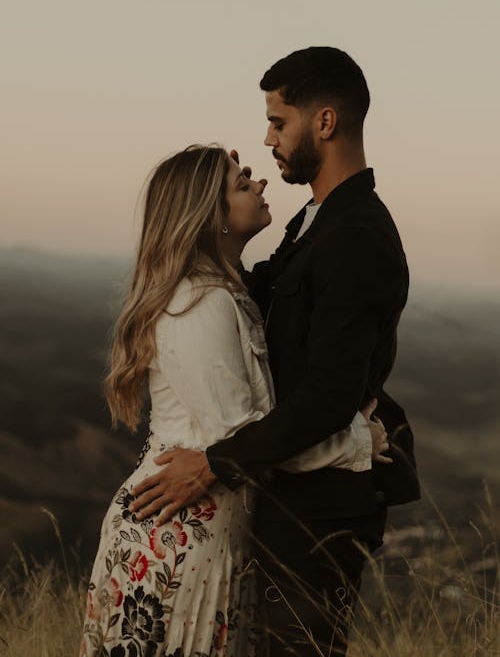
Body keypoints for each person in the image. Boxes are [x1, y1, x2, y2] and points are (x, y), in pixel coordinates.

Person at [130, 48, 420, 656]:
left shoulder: (356, 234)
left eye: (278, 121)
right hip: (285, 498)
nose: (267, 139)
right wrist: (210, 209)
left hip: (318, 512)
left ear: (325, 123)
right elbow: (249, 301)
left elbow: (326, 397)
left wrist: (214, 463)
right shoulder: (314, 219)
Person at [80, 143, 389, 657]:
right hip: (180, 539)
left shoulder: (226, 293)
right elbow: (241, 440)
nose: (261, 184)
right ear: (212, 216)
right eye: (242, 184)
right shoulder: (201, 304)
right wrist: (357, 441)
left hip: (204, 530)